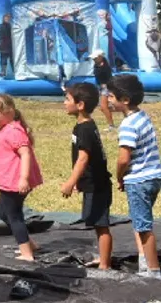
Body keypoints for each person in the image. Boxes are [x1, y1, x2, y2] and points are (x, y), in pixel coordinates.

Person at [108, 74, 161, 278]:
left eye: (111, 96)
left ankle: (153, 271)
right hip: (153, 176)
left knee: (144, 227)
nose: (108, 100)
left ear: (125, 100)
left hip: (139, 180)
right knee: (140, 222)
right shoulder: (143, 116)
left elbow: (123, 159)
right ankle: (144, 263)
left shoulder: (128, 126)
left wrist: (120, 176)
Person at [0, 94, 42, 261]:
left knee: (13, 215)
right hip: (8, 181)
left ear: (9, 112)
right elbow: (9, 149)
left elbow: (25, 153)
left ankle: (26, 253)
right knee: (3, 212)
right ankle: (29, 244)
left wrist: (24, 178)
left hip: (15, 181)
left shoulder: (14, 131)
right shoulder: (6, 129)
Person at [59, 83, 113, 270]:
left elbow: (83, 159)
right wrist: (80, 182)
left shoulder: (85, 129)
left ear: (80, 105)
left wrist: (70, 182)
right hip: (92, 183)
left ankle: (105, 265)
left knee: (101, 224)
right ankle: (104, 259)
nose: (64, 103)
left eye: (67, 99)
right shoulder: (83, 126)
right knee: (97, 222)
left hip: (98, 186)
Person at [88, 49, 116, 130]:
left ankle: (111, 126)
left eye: (95, 58)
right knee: (103, 108)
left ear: (100, 57)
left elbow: (109, 78)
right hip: (101, 87)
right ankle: (121, 109)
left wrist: (106, 85)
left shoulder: (105, 66)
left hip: (106, 87)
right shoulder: (96, 65)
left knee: (104, 107)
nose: (93, 60)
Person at [0, 14, 13, 79]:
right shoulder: (0, 26)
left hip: (11, 45)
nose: (7, 19)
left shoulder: (12, 26)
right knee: (3, 59)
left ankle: (15, 72)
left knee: (13, 60)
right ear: (3, 19)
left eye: (8, 18)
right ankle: (3, 72)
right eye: (6, 18)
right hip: (3, 45)